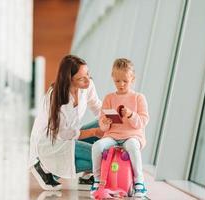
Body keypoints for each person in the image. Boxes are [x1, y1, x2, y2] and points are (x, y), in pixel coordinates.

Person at [28, 55, 103, 190]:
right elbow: (63, 134)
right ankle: (44, 166)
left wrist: (113, 117)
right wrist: (94, 132)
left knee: (101, 122)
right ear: (69, 79)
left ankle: (82, 175)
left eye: (88, 74)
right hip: (53, 142)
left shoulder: (87, 85)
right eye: (81, 78)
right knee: (101, 158)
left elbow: (97, 106)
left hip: (70, 137)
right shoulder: (56, 96)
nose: (87, 80)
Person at [91, 58, 149, 197]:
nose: (121, 84)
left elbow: (143, 121)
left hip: (132, 135)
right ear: (113, 78)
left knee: (133, 147)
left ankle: (139, 181)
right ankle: (97, 180)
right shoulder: (109, 98)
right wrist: (106, 122)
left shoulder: (138, 98)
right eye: (117, 81)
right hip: (112, 135)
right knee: (97, 146)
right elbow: (103, 125)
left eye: (125, 81)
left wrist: (130, 115)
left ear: (132, 79)